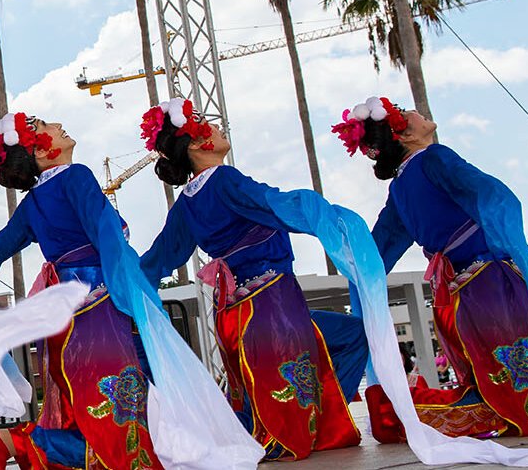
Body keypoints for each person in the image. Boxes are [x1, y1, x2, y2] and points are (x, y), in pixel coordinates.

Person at [0, 113, 259, 469]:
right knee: (125, 418)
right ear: (40, 153)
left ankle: (14, 442)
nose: (58, 124)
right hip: (98, 313)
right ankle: (18, 442)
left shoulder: (34, 203)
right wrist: (135, 295)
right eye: (44, 127)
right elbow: (108, 238)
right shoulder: (76, 177)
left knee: (127, 405)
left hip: (71, 320)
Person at [332, 97, 528, 442]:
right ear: (406, 135)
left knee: (497, 377)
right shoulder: (436, 158)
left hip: (457, 299)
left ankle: (403, 409)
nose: (417, 112)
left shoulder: (399, 189)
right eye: (407, 111)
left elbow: (374, 255)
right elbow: (489, 193)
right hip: (492, 287)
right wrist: (507, 236)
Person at [136, 98, 370, 461]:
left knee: (336, 343)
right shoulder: (225, 180)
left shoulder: (187, 203)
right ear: (199, 144)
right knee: (352, 336)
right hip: (270, 307)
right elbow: (271, 203)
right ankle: (310, 424)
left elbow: (157, 259)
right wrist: (324, 215)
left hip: (235, 314)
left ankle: (303, 421)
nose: (217, 127)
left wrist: (117, 284)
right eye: (207, 126)